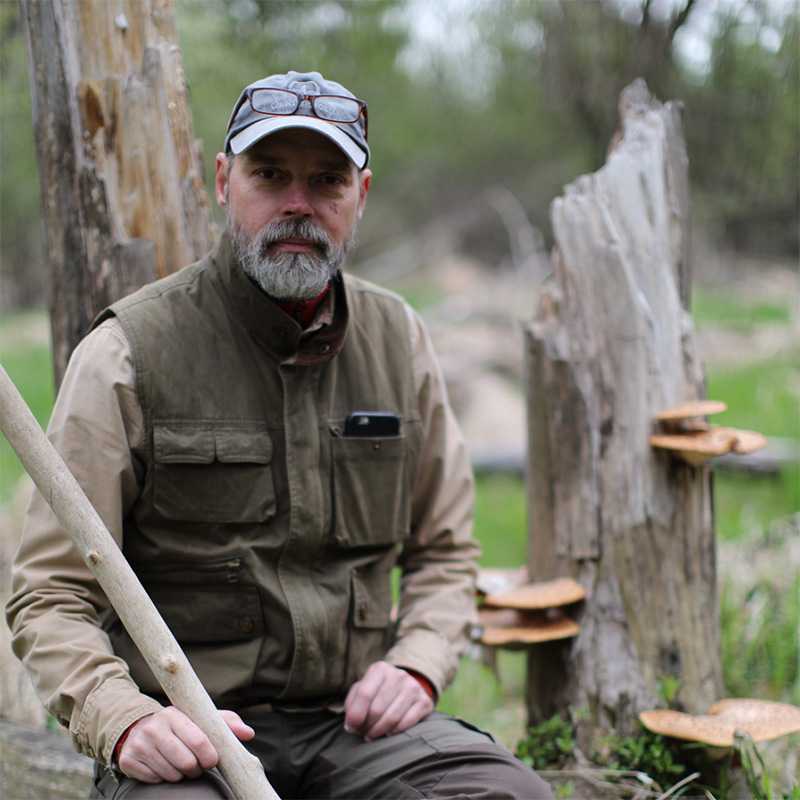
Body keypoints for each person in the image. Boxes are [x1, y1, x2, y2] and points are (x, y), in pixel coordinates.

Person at [7, 70, 553, 799]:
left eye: (326, 180)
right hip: (193, 737)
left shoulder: (400, 342)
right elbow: (50, 593)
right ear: (224, 181)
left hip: (357, 733)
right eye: (270, 175)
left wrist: (418, 662)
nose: (298, 206)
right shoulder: (128, 354)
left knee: (510, 796)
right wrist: (125, 719)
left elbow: (446, 555)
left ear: (360, 195)